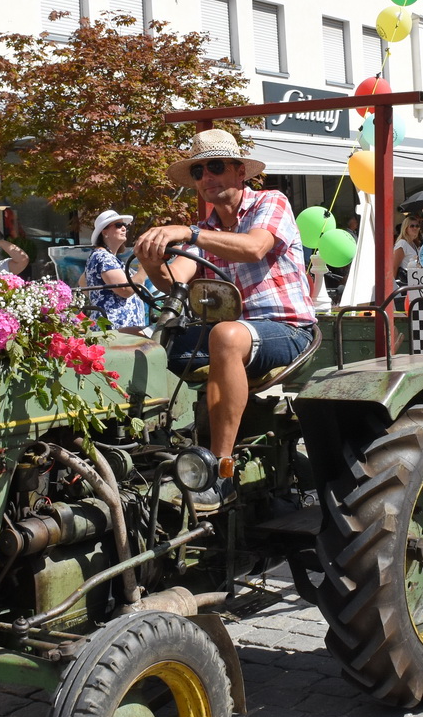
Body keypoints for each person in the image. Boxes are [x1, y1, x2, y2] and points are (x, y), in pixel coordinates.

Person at [135, 130, 315, 489]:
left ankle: (218, 469)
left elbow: (253, 248)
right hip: (228, 338)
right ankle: (141, 453)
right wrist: (151, 260)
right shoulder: (205, 230)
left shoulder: (270, 203)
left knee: (226, 334)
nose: (207, 177)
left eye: (214, 167)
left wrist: (187, 233)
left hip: (288, 331)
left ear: (239, 172)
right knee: (131, 344)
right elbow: (176, 284)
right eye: (199, 172)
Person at [80, 209, 147, 330]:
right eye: (118, 225)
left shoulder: (101, 256)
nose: (124, 228)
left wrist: (100, 298)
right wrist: (145, 268)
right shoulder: (103, 256)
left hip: (118, 330)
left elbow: (82, 282)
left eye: (124, 225)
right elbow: (125, 290)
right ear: (104, 232)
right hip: (116, 332)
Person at [393, 213, 423, 278]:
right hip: (404, 281)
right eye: (412, 226)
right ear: (406, 228)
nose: (415, 228)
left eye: (417, 226)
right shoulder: (402, 243)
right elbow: (394, 266)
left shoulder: (413, 244)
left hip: (414, 280)